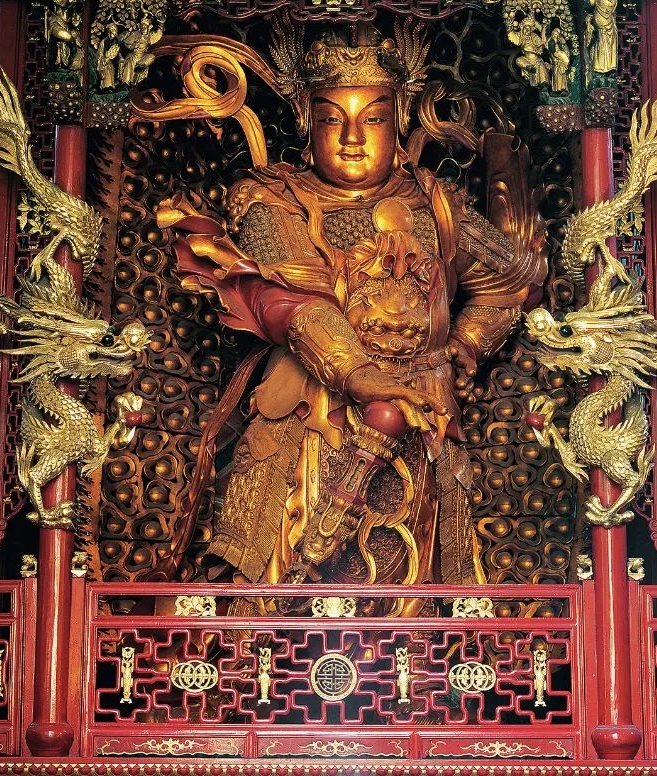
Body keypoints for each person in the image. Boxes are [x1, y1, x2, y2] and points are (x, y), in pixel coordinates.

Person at [150, 23, 547, 603]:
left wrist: (464, 342)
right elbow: (292, 299)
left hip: (422, 412)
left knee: (412, 581)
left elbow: (509, 283)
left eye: (374, 119)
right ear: (306, 123)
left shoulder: (436, 204)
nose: (354, 139)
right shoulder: (271, 198)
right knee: (276, 570)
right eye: (334, 119)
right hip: (310, 409)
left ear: (401, 119)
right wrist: (357, 373)